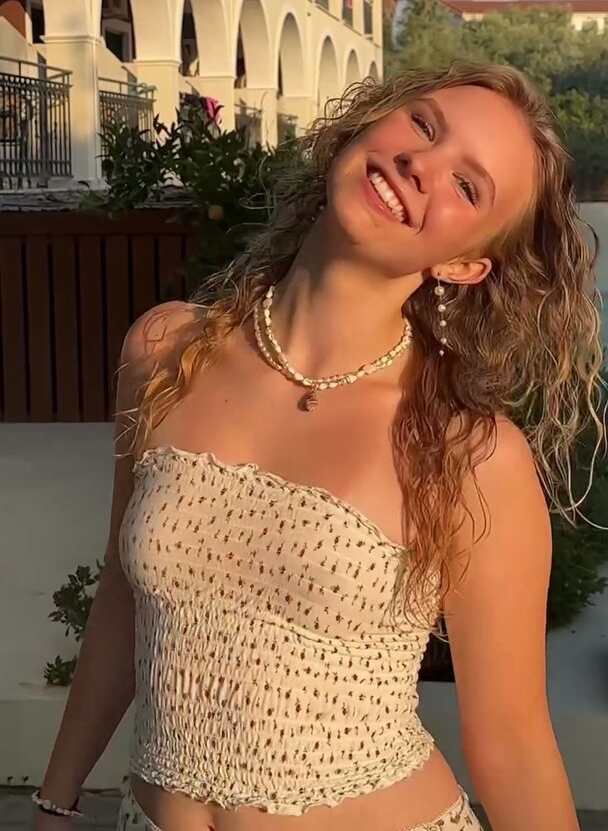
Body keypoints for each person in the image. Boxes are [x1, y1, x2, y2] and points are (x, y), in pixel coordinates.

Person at [32, 62, 605, 831]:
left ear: (464, 265)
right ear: (363, 128)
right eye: (423, 125)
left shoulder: (468, 453)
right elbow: (121, 598)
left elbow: (514, 746)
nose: (422, 164)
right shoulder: (165, 352)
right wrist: (56, 800)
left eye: (468, 187)